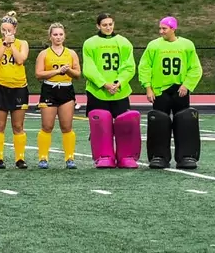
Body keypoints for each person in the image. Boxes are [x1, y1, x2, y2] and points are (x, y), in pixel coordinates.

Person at [139, 16, 203, 170]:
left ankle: (186, 156)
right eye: (160, 28)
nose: (161, 31)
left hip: (180, 90)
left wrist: (186, 85)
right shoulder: (153, 45)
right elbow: (144, 67)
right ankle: (159, 156)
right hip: (160, 91)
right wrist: (148, 87)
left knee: (185, 122)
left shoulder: (187, 45)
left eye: (164, 28)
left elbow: (195, 68)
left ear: (173, 29)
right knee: (159, 123)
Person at [81, 14, 137, 169]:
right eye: (104, 24)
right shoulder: (90, 43)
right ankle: (103, 155)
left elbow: (129, 66)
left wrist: (119, 82)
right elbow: (89, 67)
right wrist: (103, 84)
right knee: (100, 125)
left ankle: (125, 155)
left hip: (120, 91)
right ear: (98, 26)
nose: (108, 27)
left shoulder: (124, 42)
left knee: (123, 125)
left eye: (110, 24)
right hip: (98, 91)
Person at [0, 13, 30, 170]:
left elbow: (20, 60)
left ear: (15, 30)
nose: (6, 33)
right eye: (3, 30)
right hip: (0, 86)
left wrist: (11, 45)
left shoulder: (22, 43)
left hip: (18, 87)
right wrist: (5, 44)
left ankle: (20, 158)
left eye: (9, 30)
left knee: (18, 125)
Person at [35, 23, 80, 170]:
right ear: (50, 37)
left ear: (64, 36)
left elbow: (78, 74)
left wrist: (68, 72)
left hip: (66, 90)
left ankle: (70, 158)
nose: (58, 37)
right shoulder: (44, 54)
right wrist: (57, 72)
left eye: (60, 34)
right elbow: (38, 74)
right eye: (55, 34)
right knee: (47, 126)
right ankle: (43, 157)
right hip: (49, 90)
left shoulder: (71, 53)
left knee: (66, 126)